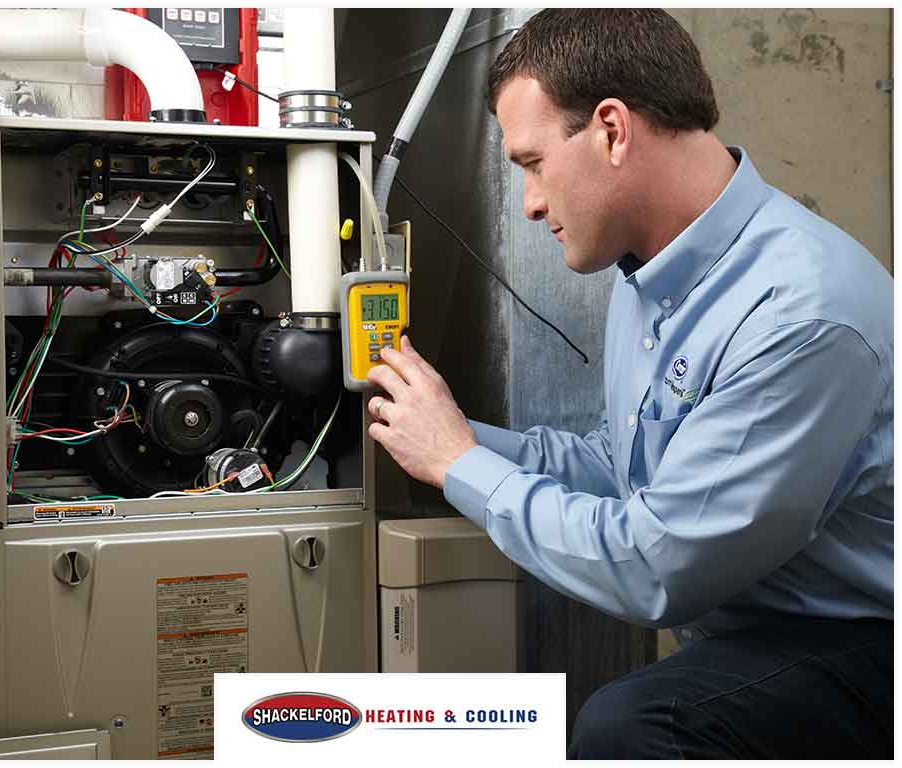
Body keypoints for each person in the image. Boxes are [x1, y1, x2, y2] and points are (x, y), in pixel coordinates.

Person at [365, 9, 893, 760]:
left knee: (636, 722)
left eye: (533, 162)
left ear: (612, 130)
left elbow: (658, 566)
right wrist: (432, 433)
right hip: (760, 630)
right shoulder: (651, 273)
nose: (531, 202)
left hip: (868, 643)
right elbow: (623, 467)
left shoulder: (801, 313)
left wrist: (458, 465)